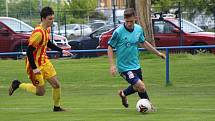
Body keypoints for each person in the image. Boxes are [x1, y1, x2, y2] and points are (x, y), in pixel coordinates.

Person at [8, 6, 72, 112]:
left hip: (44, 61)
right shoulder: (38, 33)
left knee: (56, 85)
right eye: (50, 19)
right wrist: (34, 68)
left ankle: (57, 107)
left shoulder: (47, 29)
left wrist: (61, 50)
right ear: (43, 18)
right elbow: (29, 51)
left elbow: (48, 42)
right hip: (35, 64)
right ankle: (18, 84)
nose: (52, 21)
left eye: (53, 18)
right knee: (40, 92)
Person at [108, 8, 166, 109]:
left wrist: (158, 53)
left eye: (131, 21)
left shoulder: (139, 29)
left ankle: (123, 93)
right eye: (127, 21)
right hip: (124, 67)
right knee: (141, 86)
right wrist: (112, 65)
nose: (129, 24)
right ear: (124, 20)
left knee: (139, 88)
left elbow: (143, 43)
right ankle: (149, 106)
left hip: (135, 65)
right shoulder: (118, 32)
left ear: (136, 18)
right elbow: (109, 47)